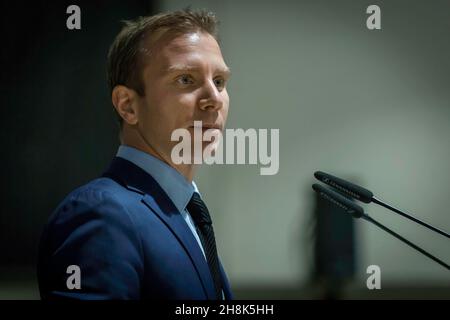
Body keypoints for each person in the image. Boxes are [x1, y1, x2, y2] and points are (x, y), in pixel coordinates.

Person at [37, 9, 233, 300]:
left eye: (219, 81)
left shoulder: (187, 211)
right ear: (127, 105)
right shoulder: (100, 214)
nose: (214, 99)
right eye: (186, 79)